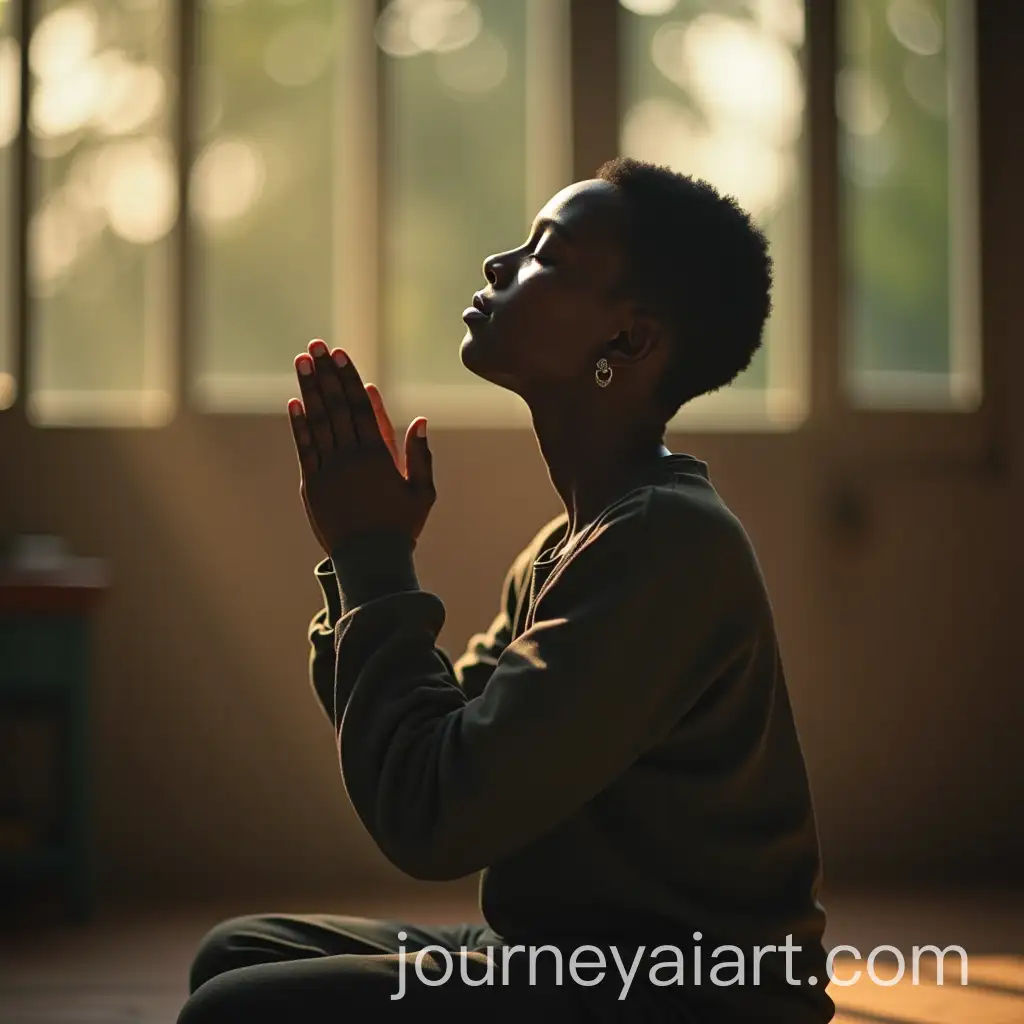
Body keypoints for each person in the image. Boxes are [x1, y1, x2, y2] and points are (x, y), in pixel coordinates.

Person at [178, 157, 834, 1022]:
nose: (500, 263)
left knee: (234, 1011)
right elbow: (431, 739)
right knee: (238, 952)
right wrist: (356, 559)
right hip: (555, 957)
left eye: (545, 257)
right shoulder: (569, 544)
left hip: (679, 995)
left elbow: (434, 816)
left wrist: (372, 553)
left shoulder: (667, 543)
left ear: (629, 342)